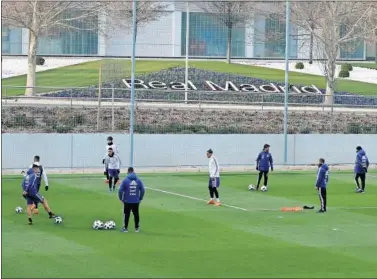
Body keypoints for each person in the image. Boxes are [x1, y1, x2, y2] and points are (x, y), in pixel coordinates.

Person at [118, 167, 145, 233]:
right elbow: (143, 190)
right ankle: (137, 228)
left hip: (127, 200)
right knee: (136, 214)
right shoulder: (138, 180)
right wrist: (140, 198)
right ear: (133, 171)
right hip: (136, 201)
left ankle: (125, 228)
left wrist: (120, 198)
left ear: (128, 172)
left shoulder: (125, 180)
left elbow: (120, 190)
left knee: (126, 214)